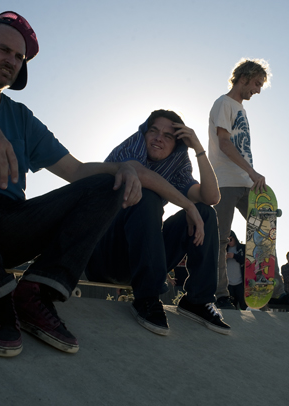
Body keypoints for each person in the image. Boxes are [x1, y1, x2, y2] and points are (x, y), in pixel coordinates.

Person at [0, 12, 142, 357]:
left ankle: (35, 293)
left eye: (19, 57)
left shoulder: (21, 118)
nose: (12, 61)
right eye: (4, 50)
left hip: (8, 227)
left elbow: (77, 170)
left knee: (105, 183)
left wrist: (124, 167)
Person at [86, 110, 231, 336]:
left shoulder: (177, 162)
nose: (158, 138)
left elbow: (212, 197)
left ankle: (198, 300)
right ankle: (147, 298)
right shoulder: (133, 145)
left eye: (167, 136)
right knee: (144, 194)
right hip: (104, 254)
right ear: (145, 133)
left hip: (141, 258)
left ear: (177, 144)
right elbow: (140, 174)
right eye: (153, 131)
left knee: (205, 212)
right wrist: (187, 205)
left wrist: (199, 148)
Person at [208, 58, 289, 311]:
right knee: (220, 239)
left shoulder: (242, 110)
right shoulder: (224, 104)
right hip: (226, 182)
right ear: (243, 77)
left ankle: (275, 292)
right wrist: (252, 171)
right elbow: (224, 143)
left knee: (264, 238)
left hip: (247, 184)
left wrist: (250, 177)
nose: (258, 90)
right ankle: (219, 294)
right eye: (256, 83)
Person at [226, 230, 247, 310]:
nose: (229, 242)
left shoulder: (242, 247)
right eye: (227, 240)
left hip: (240, 282)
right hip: (228, 283)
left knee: (244, 306)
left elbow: (246, 261)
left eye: (230, 239)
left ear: (234, 238)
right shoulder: (224, 249)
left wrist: (234, 256)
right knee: (231, 307)